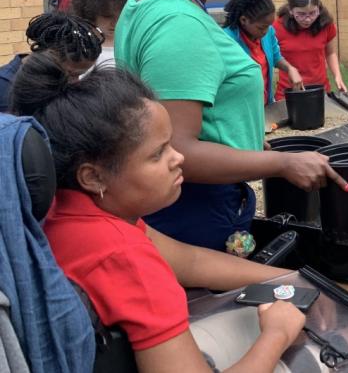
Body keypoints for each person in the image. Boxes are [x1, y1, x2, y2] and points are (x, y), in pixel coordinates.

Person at [12, 53, 305, 372]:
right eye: (157, 153)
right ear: (93, 176)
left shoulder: (65, 209)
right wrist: (277, 334)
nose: (178, 157)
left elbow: (191, 260)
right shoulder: (127, 258)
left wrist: (292, 280)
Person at [115, 0, 346, 251]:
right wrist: (281, 163)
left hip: (183, 199)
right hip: (193, 206)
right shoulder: (179, 22)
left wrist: (245, 136)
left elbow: (188, 107)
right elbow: (176, 150)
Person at [0, 12, 104, 112]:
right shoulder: (5, 86)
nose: (76, 82)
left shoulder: (58, 83)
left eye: (80, 75)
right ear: (50, 54)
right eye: (72, 74)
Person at [222, 0, 303, 105]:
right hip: (240, 109)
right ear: (244, 20)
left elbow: (276, 57)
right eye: (261, 27)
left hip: (265, 106)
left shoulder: (268, 32)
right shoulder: (226, 40)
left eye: (269, 26)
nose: (266, 31)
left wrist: (290, 68)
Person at [274, 0, 346, 100]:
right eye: (301, 14)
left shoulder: (326, 24)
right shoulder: (277, 27)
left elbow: (330, 53)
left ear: (318, 8)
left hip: (319, 91)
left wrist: (337, 76)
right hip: (288, 93)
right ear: (291, 11)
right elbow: (272, 57)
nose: (308, 19)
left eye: (313, 13)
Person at [70, 0, 147, 68]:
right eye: (107, 16)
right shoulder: (81, 49)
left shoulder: (138, 47)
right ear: (90, 13)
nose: (115, 23)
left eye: (122, 16)